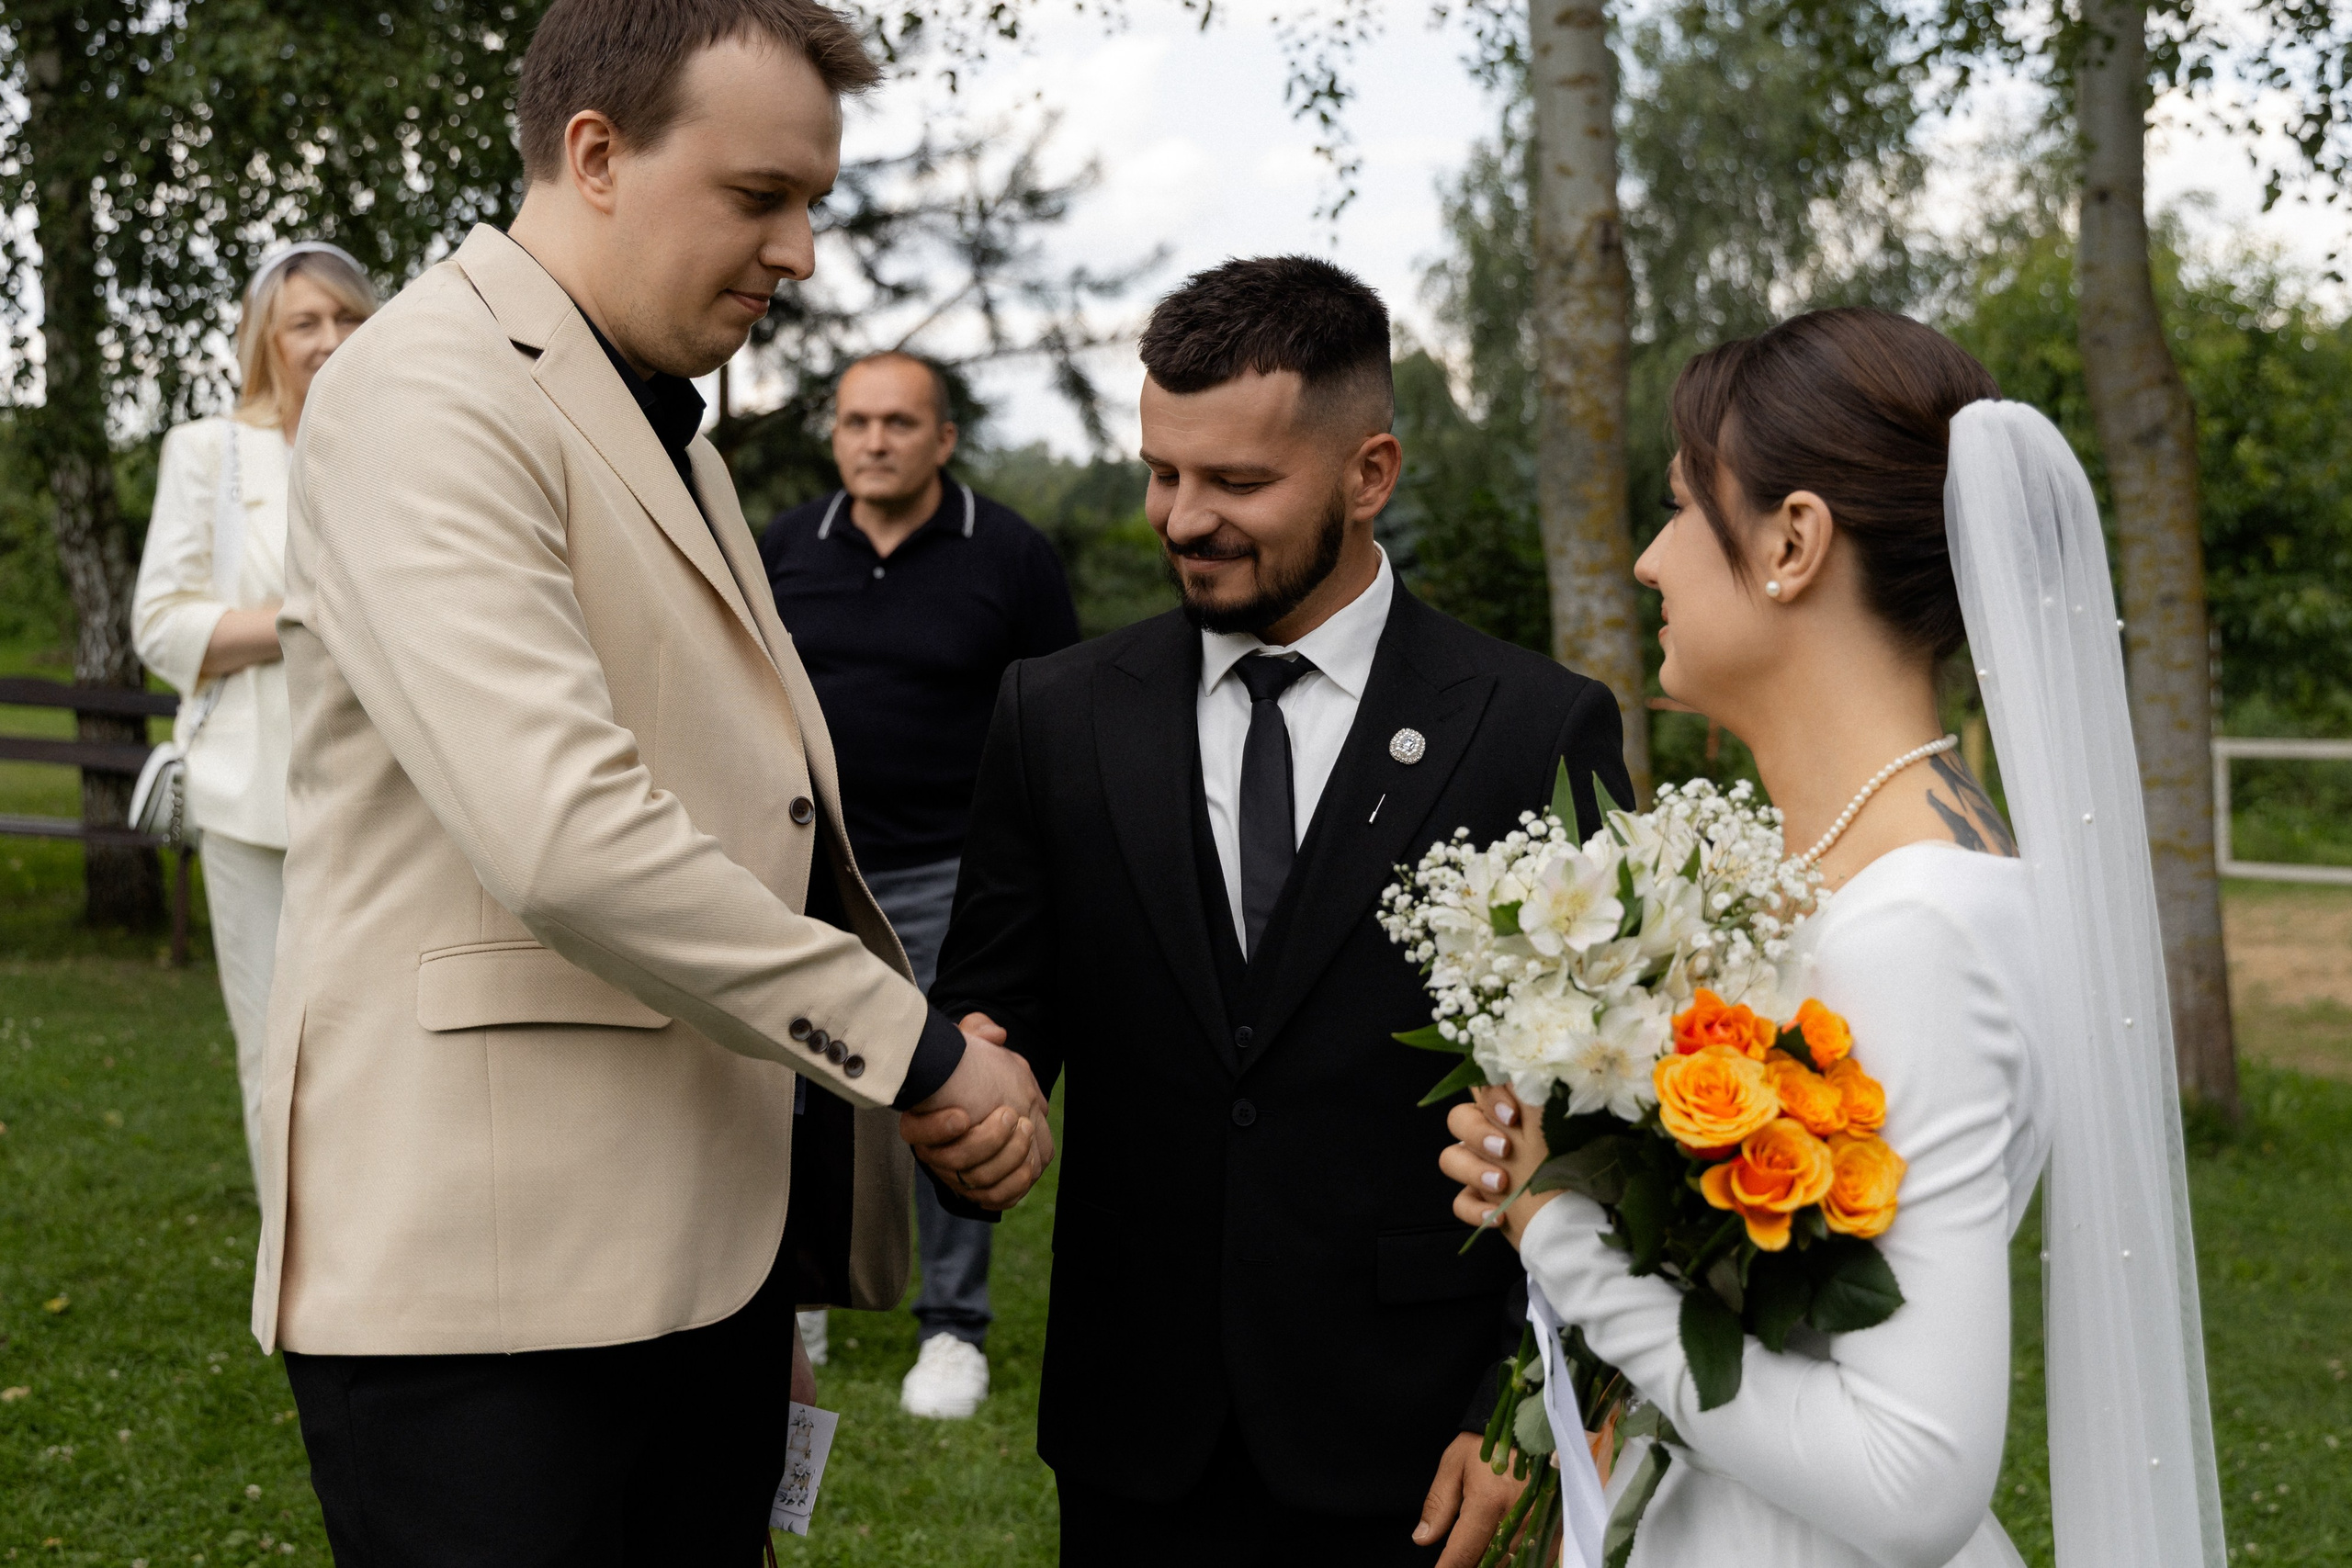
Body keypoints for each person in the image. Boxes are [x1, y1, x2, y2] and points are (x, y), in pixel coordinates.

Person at [254, 2, 1051, 1560]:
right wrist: (921, 1055)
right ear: (596, 155)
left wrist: (774, 1256)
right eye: (762, 197)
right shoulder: (428, 389)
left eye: (813, 200)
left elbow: (745, 792)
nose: (805, 251)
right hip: (493, 1299)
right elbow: (566, 834)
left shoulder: (652, 411)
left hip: (688, 1259)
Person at [1442, 310, 2226, 1567]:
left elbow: (1912, 1473)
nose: (1648, 559)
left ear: (1793, 541)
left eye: (1683, 507)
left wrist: (1560, 1231)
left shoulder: (1919, 923)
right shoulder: (1880, 865)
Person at [923, 256, 1634, 1567]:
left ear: (1370, 473)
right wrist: (974, 1089)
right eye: (1161, 471)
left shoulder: (1533, 726)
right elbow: (995, 1003)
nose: (1183, 518)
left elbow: (1597, 1115)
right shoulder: (1055, 715)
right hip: (1138, 1421)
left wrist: (1527, 1406)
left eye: (1238, 483)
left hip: (1421, 1429)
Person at [762, 350, 1080, 1418]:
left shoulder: (1011, 557)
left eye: (899, 422)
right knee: (794, 1094)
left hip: (954, 875)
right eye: (855, 421)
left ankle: (952, 1329)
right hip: (807, 878)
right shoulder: (782, 552)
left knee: (949, 1086)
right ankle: (798, 1299)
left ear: (943, 439)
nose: (874, 440)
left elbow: (1056, 725)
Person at [131, 243, 376, 1176]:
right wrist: (304, 619)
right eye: (304, 323)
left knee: (382, 1049)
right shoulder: (211, 452)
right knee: (280, 1053)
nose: (329, 340)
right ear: (263, 340)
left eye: (348, 318)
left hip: (385, 795)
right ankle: (300, 1282)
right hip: (253, 797)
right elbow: (161, 626)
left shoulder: (393, 451)